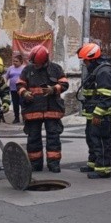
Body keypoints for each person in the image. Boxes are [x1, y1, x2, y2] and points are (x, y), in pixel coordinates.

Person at [15, 45, 69, 173]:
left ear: (44, 61)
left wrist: (54, 89)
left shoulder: (56, 69)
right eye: (34, 63)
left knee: (53, 138)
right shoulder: (28, 69)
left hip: (52, 109)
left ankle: (54, 164)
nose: (35, 65)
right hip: (33, 109)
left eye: (37, 64)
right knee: (33, 138)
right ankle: (35, 164)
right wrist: (24, 93)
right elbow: (20, 85)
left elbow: (64, 84)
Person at [76, 42, 111, 179]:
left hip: (101, 115)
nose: (84, 63)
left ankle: (103, 170)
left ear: (93, 59)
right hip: (92, 113)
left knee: (101, 141)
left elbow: (107, 95)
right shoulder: (95, 70)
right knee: (92, 139)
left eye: (86, 61)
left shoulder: (104, 72)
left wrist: (98, 114)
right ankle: (93, 164)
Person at [4, 54, 25, 124]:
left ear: (21, 62)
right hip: (13, 89)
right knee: (15, 104)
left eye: (16, 61)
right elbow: (6, 77)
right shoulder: (10, 68)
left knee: (22, 103)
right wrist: (4, 85)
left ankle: (24, 118)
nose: (14, 63)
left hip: (22, 89)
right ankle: (16, 118)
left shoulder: (24, 68)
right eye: (14, 61)